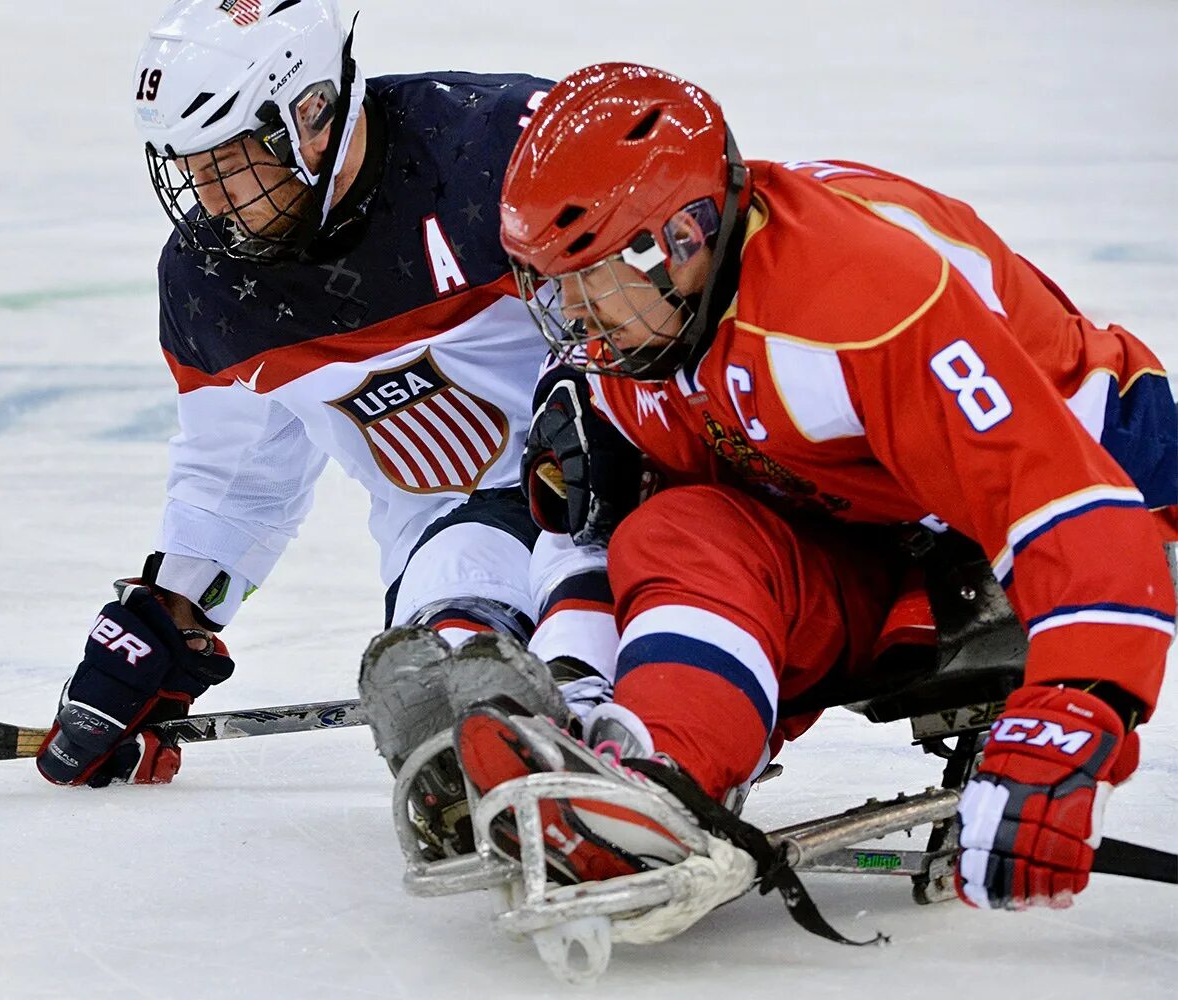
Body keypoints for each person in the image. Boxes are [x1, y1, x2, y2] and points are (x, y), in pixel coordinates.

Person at [452, 62, 1176, 919]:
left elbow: (1062, 502)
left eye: (590, 279)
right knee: (661, 524)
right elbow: (605, 540)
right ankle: (649, 773)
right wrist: (575, 692)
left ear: (682, 240)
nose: (573, 318)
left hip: (1084, 501)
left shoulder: (858, 299)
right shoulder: (641, 329)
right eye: (550, 286)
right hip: (871, 508)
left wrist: (1072, 709)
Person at [30, 0, 603, 854]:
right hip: (453, 524)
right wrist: (167, 621)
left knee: (604, 571)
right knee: (446, 603)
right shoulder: (213, 282)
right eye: (193, 169)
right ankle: (478, 713)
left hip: (622, 480)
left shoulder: (501, 153)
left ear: (311, 115)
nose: (213, 202)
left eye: (230, 165)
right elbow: (241, 477)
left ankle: (610, 723)